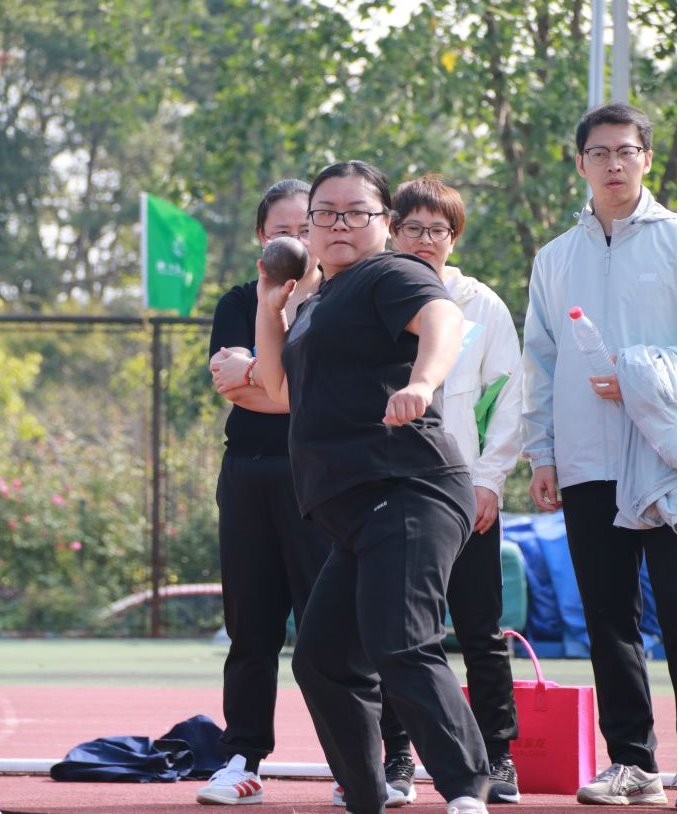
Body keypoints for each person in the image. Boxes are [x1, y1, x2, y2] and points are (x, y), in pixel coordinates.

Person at [255, 159, 490, 814]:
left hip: (411, 484)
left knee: (400, 639)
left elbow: (441, 320)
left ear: (384, 222)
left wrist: (422, 382)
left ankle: (466, 791)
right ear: (308, 227)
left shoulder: (391, 274)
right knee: (322, 660)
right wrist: (269, 308)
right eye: (324, 213)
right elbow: (277, 389)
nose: (339, 224)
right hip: (355, 510)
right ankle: (366, 796)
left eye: (356, 212)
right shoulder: (316, 301)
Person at [521, 103, 676, 807]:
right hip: (586, 460)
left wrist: (639, 376)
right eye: (599, 153)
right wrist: (541, 453)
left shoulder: (675, 241)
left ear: (647, 159)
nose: (613, 164)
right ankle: (632, 763)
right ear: (579, 162)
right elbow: (540, 362)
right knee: (608, 619)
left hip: (666, 456)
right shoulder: (555, 258)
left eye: (626, 151)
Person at [372, 174, 522, 806]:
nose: (425, 240)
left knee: (481, 633)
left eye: (438, 229)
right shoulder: (371, 295)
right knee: (398, 634)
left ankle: (498, 757)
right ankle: (397, 758)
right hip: (389, 493)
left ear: (454, 237)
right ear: (392, 233)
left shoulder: (480, 304)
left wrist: (489, 483)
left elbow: (510, 399)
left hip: (463, 496)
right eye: (412, 228)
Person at [196, 179, 331, 806]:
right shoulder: (237, 302)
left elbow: (322, 395)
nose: (296, 241)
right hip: (249, 474)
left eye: (307, 227)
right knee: (250, 628)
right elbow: (237, 390)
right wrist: (293, 390)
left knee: (331, 628)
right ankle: (242, 758)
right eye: (283, 230)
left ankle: (360, 761)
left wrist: (264, 378)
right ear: (261, 238)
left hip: (322, 478)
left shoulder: (341, 302)